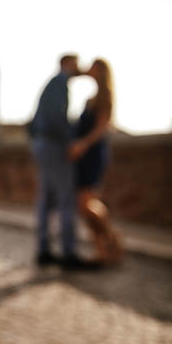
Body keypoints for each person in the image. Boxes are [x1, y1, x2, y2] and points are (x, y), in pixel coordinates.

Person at [28, 54, 93, 269]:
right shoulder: (60, 83)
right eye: (76, 63)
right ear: (67, 64)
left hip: (42, 145)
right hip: (53, 146)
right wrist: (70, 142)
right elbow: (56, 118)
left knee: (45, 200)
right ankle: (69, 253)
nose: (79, 67)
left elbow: (34, 122)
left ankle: (44, 250)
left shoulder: (52, 84)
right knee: (66, 199)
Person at [68, 58, 123, 263]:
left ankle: (111, 238)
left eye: (92, 67)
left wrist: (82, 144)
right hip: (83, 155)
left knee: (86, 203)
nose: (88, 69)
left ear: (100, 71)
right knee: (85, 205)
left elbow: (101, 129)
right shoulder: (92, 97)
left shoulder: (104, 97)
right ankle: (102, 249)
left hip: (92, 154)